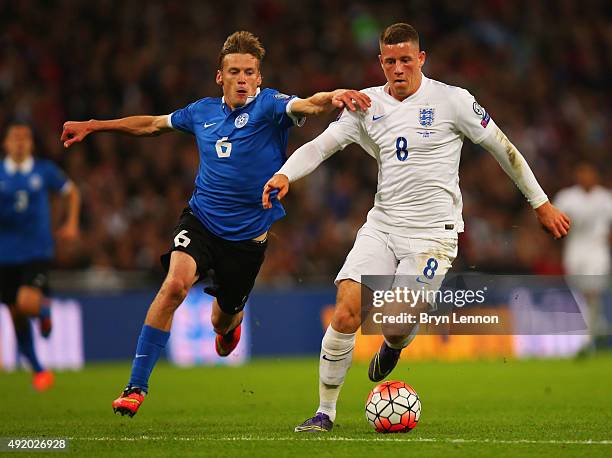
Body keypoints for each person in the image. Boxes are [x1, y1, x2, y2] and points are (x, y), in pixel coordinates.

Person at [262, 23, 571, 432]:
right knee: (347, 309)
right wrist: (285, 174)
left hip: (432, 238)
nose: (398, 68)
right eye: (390, 61)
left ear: (421, 59)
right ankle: (325, 412)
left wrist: (541, 203)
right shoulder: (365, 105)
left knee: (395, 324)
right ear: (380, 62)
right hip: (383, 225)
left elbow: (503, 147)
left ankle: (393, 345)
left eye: (406, 59)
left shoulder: (452, 101)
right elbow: (323, 144)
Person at [61, 31, 370, 417]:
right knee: (174, 286)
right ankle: (135, 387)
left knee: (223, 325)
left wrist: (334, 96)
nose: (242, 79)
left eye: (249, 72)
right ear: (219, 77)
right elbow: (152, 125)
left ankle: (228, 326)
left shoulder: (272, 106)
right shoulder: (200, 112)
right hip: (201, 220)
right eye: (234, 71)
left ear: (259, 78)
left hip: (246, 241)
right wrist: (94, 125)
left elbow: (309, 105)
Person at [0, 123, 80, 391]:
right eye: (15, 138)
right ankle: (38, 370)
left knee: (25, 303)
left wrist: (70, 224)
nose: (20, 142)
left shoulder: (43, 170)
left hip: (36, 251)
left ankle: (44, 309)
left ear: (31, 144)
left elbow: (71, 192)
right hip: (4, 255)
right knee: (15, 314)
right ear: (6, 145)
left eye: (25, 138)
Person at [554, 162, 612, 350]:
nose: (585, 176)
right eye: (581, 172)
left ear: (596, 175)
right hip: (574, 251)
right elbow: (552, 224)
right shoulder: (566, 197)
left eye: (589, 172)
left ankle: (586, 341)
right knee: (580, 296)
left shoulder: (606, 199)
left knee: (591, 292)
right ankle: (600, 326)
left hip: (598, 251)